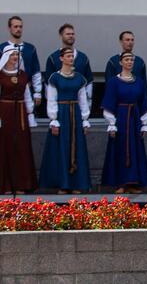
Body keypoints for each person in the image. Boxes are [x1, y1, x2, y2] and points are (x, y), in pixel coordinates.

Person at [39, 47, 91, 194]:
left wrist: (85, 119)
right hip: (61, 115)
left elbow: (83, 100)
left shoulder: (79, 78)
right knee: (61, 148)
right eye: (67, 56)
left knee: (76, 148)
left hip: (75, 115)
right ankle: (63, 183)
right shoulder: (55, 78)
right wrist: (54, 120)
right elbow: (51, 99)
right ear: (61, 58)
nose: (70, 58)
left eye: (71, 56)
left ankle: (76, 183)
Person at [101, 52, 147, 194]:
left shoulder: (139, 82)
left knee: (135, 149)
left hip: (134, 118)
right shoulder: (113, 82)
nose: (129, 62)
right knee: (120, 148)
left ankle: (133, 183)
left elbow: (143, 102)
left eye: (131, 60)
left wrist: (144, 123)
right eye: (126, 59)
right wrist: (111, 123)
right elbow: (109, 102)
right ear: (121, 62)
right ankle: (121, 183)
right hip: (121, 118)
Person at [0, 46, 38, 193]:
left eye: (17, 54)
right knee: (5, 146)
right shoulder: (1, 75)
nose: (15, 57)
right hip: (5, 112)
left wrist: (30, 115)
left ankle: (21, 184)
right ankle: (6, 185)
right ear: (6, 57)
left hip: (20, 114)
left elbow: (27, 95)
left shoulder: (23, 75)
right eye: (12, 54)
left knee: (21, 147)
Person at [45, 24, 94, 108]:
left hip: (79, 104)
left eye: (72, 34)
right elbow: (48, 83)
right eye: (68, 34)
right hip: (61, 104)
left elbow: (88, 81)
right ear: (61, 36)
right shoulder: (53, 58)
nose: (71, 36)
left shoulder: (83, 58)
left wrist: (87, 103)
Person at [0, 16, 42, 107]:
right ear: (9, 28)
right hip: (6, 92)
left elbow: (35, 71)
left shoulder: (30, 49)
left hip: (26, 90)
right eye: (15, 27)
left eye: (20, 26)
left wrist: (37, 92)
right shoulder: (2, 48)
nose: (18, 29)